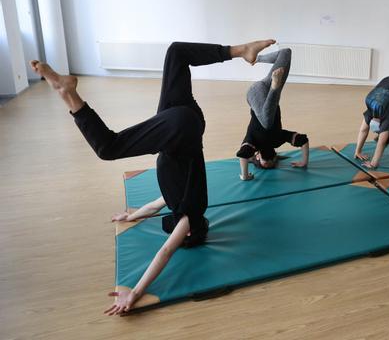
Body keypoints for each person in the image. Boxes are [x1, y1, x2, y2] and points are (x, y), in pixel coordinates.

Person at [30, 38, 275, 314]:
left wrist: (132, 215)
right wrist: (134, 293)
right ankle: (68, 93)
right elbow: (165, 253)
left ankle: (241, 50)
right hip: (179, 129)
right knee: (108, 147)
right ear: (191, 233)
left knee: (176, 52)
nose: (175, 233)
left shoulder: (180, 199)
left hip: (184, 119)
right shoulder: (192, 214)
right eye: (181, 234)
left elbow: (158, 202)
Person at [236, 47, 309, 180]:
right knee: (286, 53)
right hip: (268, 89)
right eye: (272, 164)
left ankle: (275, 87)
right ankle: (257, 58)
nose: (269, 163)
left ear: (257, 157)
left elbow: (243, 154)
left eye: (265, 165)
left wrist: (245, 175)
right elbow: (303, 140)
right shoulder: (278, 140)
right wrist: (304, 162)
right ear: (276, 158)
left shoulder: (253, 144)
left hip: (255, 94)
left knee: (267, 122)